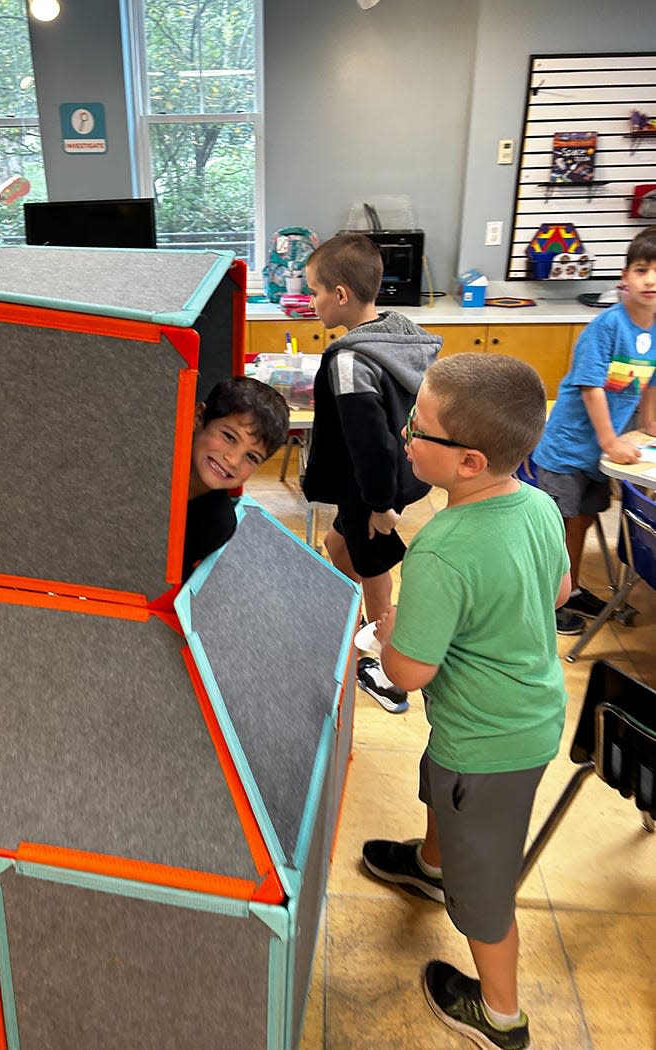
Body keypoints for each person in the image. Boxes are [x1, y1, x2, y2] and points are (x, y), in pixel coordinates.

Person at [362, 353, 572, 1050]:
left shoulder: (443, 549)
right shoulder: (538, 503)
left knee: (485, 894)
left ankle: (501, 1015)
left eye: (418, 428)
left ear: (470, 462)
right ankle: (430, 866)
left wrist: (391, 633)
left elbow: (411, 674)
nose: (403, 437)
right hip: (525, 716)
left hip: (489, 743)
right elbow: (560, 594)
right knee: (437, 786)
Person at [301, 232, 442, 713]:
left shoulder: (349, 361)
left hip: (371, 489)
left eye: (315, 292)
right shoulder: (398, 332)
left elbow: (370, 442)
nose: (312, 301)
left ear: (340, 295)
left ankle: (388, 668)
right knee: (335, 550)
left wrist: (381, 506)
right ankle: (343, 625)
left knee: (373, 566)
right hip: (397, 476)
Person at [532, 226, 656, 634]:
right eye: (642, 270)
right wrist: (609, 440)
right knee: (558, 528)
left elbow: (650, 384)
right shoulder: (607, 327)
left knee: (583, 522)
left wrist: (650, 428)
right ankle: (544, 604)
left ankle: (569, 589)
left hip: (598, 458)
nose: (651, 280)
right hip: (568, 451)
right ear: (625, 276)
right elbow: (591, 388)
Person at [183, 375, 289, 579]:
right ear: (198, 417)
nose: (232, 460)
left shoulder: (217, 523)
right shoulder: (146, 468)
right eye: (229, 437)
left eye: (251, 456)